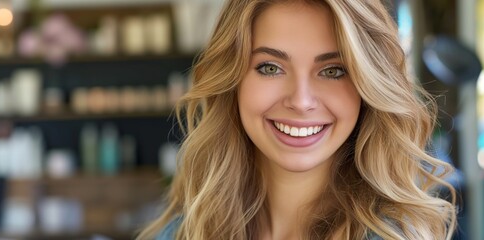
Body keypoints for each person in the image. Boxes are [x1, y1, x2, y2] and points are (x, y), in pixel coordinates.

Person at [139, 0, 456, 239]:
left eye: (333, 70)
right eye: (270, 67)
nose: (301, 101)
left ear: (368, 87)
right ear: (232, 82)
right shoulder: (180, 231)